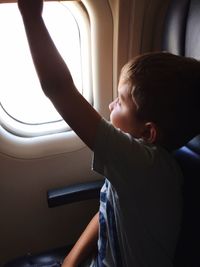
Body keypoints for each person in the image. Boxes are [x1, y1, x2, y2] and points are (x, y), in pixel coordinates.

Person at [17, 0, 200, 266]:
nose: (111, 105)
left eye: (120, 101)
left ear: (149, 132)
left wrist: (31, 16)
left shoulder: (143, 165)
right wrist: (70, 261)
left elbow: (59, 89)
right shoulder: (139, 166)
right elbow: (107, 208)